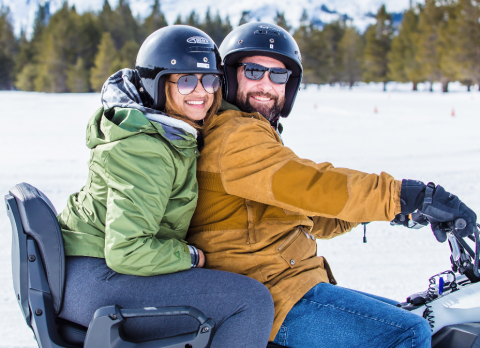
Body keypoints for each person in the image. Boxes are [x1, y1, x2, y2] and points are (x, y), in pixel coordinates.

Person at [187, 21, 478, 348]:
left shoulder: (250, 136)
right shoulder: (235, 136)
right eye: (253, 71)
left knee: (413, 314)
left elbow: (307, 214)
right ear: (228, 76)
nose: (265, 84)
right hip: (272, 298)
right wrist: (405, 197)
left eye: (278, 75)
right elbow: (310, 185)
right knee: (408, 333)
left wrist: (388, 213)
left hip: (289, 288)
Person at [56, 25, 274, 348]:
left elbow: (210, 104)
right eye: (186, 80)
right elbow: (126, 250)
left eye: (211, 80)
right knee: (251, 300)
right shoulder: (148, 148)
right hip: (97, 280)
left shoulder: (165, 127)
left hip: (86, 268)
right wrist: (190, 257)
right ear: (157, 85)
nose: (202, 93)